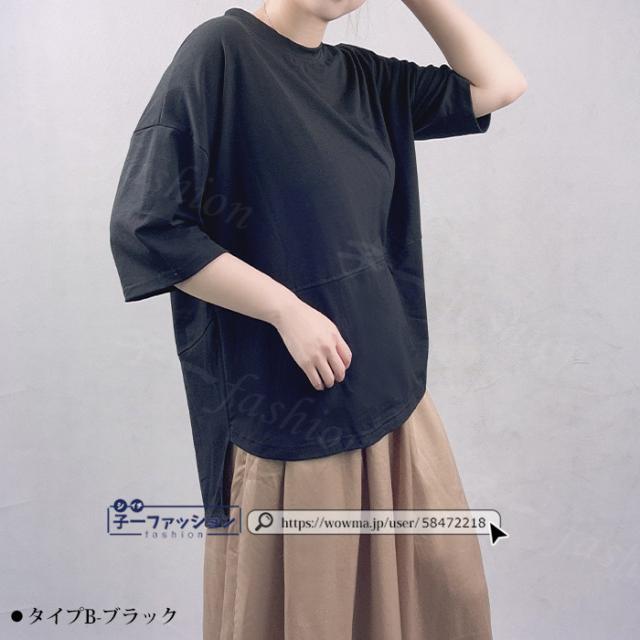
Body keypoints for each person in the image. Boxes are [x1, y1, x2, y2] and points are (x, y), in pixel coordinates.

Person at [109, 1, 526, 638]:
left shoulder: (366, 80)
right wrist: (284, 310)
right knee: (313, 615)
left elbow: (499, 85)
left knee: (444, 598)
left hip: (395, 399)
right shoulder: (222, 51)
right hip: (294, 412)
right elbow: (150, 225)